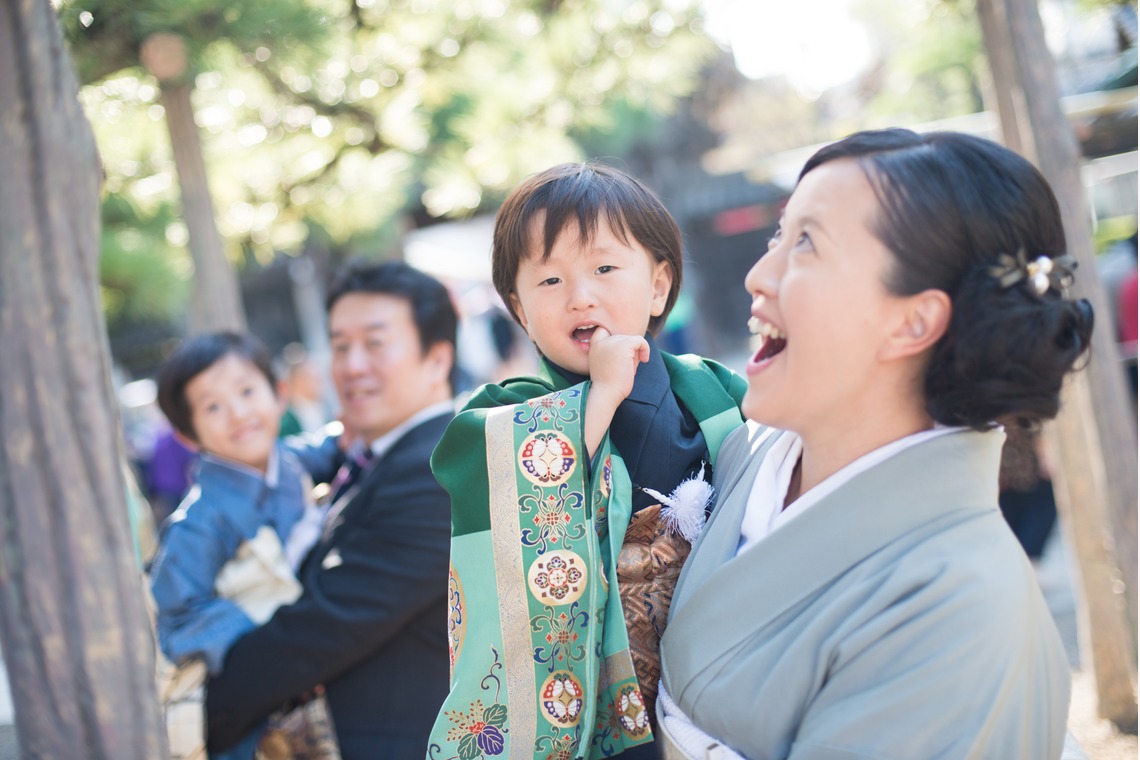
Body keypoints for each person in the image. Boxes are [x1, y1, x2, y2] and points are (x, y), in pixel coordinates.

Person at [657, 129, 1092, 759]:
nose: (758, 274)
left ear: (914, 321)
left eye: (806, 242)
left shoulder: (955, 606)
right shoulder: (750, 453)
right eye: (780, 234)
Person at [426, 163, 745, 760]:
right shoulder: (500, 417)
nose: (580, 297)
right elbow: (493, 502)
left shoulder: (715, 394)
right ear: (519, 309)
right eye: (548, 282)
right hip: (593, 711)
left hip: (719, 687)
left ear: (658, 285)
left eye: (603, 268)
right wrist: (599, 398)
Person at [205, 260, 458, 760]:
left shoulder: (433, 469)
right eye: (340, 345)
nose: (351, 365)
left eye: (375, 343)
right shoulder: (376, 453)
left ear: (437, 359)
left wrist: (196, 708)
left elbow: (325, 626)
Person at [149, 331, 339, 760]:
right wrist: (264, 633)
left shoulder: (289, 464)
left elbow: (328, 445)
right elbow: (177, 616)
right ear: (185, 432)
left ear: (279, 394)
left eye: (247, 391)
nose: (237, 413)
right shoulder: (197, 522)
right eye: (212, 406)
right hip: (248, 696)